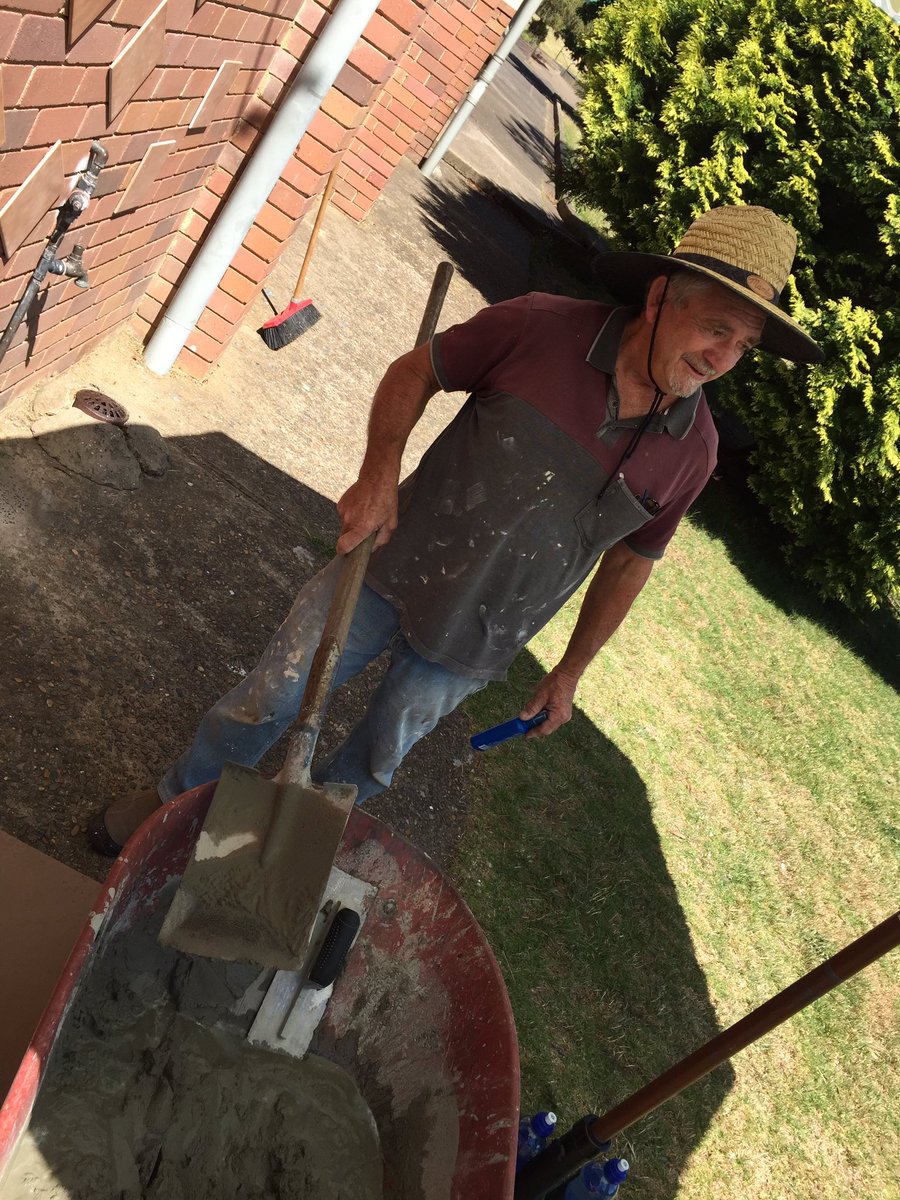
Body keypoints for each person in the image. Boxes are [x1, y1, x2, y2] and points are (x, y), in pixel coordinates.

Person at [88, 204, 823, 855]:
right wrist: (378, 475)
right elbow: (414, 373)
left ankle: (266, 857)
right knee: (269, 698)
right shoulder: (540, 326)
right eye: (715, 327)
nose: (721, 358)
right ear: (661, 296)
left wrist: (569, 673)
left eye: (743, 347)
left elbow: (631, 563)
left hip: (478, 642)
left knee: (373, 763)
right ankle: (171, 805)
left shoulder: (693, 452)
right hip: (387, 568)